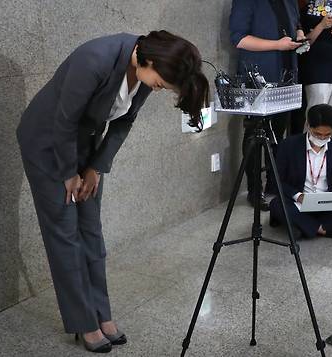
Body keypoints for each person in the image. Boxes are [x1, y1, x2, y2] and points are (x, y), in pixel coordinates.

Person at [16, 31, 210, 352]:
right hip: (48, 143)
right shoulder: (95, 59)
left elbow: (124, 121)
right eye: (161, 83)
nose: (158, 88)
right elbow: (64, 120)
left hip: (84, 145)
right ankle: (84, 322)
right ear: (148, 61)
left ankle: (101, 314)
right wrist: (68, 174)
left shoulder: (148, 70)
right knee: (65, 232)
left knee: (91, 229)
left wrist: (96, 167)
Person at [230, 0, 304, 210]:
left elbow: (295, 23)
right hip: (258, 76)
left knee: (277, 135)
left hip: (286, 75)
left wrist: (299, 34)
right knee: (255, 134)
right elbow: (239, 39)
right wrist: (277, 45)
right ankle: (254, 190)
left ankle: (275, 184)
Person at [270, 104, 332, 239]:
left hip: (328, 204)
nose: (322, 138)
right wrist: (298, 196)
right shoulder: (289, 145)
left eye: (327, 135)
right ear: (308, 126)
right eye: (318, 134)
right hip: (300, 203)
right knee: (277, 205)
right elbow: (276, 180)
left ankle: (307, 227)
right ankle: (327, 229)